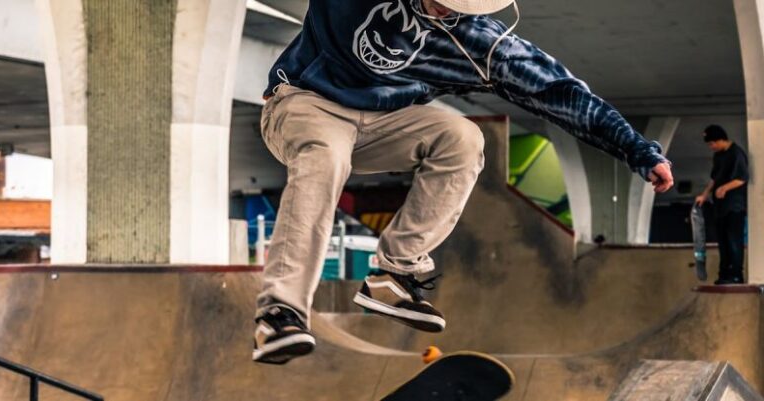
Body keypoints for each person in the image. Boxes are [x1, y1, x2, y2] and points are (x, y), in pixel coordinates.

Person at [252, 0, 674, 364]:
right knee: (325, 158)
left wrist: (637, 150)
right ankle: (279, 313)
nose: (442, 12)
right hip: (304, 103)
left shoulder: (480, 44)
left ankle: (393, 272)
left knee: (463, 138)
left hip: (383, 125)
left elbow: (561, 93)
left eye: (455, 8)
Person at [695, 125, 748, 285]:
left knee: (733, 240)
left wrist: (725, 188)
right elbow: (714, 178)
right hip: (720, 207)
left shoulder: (736, 153)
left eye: (712, 144)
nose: (711, 147)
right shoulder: (718, 156)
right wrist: (705, 194)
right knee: (723, 241)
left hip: (735, 206)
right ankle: (724, 273)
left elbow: (742, 178)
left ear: (720, 140)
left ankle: (736, 274)